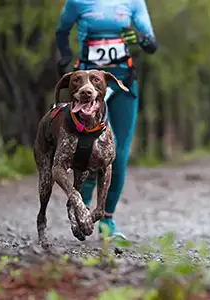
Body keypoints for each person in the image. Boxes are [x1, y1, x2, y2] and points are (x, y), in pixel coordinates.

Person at [55, 0, 157, 239]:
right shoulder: (77, 2)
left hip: (122, 82)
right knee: (85, 148)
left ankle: (107, 220)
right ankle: (83, 205)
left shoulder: (134, 2)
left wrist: (142, 39)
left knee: (118, 153)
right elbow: (62, 31)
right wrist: (65, 56)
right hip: (87, 85)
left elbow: (151, 44)